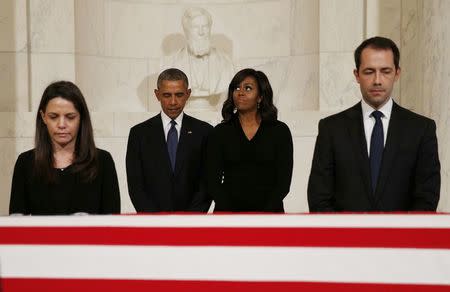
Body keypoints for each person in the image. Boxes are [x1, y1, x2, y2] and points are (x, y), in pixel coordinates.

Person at [307, 36, 440, 212]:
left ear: (397, 73)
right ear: (357, 75)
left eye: (385, 71)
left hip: (402, 238)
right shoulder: (331, 129)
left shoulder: (421, 129)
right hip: (345, 238)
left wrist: (403, 237)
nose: (377, 80)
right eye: (369, 72)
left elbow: (427, 197)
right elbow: (319, 197)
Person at [9, 81, 120, 215]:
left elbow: (112, 222)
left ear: (81, 117)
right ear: (43, 117)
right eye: (53, 117)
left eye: (70, 117)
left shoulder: (102, 161)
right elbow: (17, 221)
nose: (61, 124)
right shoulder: (25, 163)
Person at [206, 68, 293, 212]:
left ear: (260, 96)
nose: (240, 92)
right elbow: (212, 182)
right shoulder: (220, 132)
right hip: (228, 217)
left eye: (248, 88)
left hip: (269, 216)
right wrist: (233, 216)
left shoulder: (279, 131)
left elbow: (283, 183)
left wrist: (263, 216)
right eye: (236, 88)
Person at [126, 68, 213, 212]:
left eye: (179, 95)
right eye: (167, 95)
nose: (173, 102)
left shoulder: (205, 132)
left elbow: (206, 183)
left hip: (192, 224)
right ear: (157, 94)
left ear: (188, 94)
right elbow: (136, 186)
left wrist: (191, 220)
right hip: (153, 226)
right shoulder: (139, 134)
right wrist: (154, 222)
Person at [163, 7, 234, 98]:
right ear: (187, 31)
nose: (201, 32)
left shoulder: (225, 63)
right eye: (195, 27)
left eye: (205, 26)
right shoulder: (171, 63)